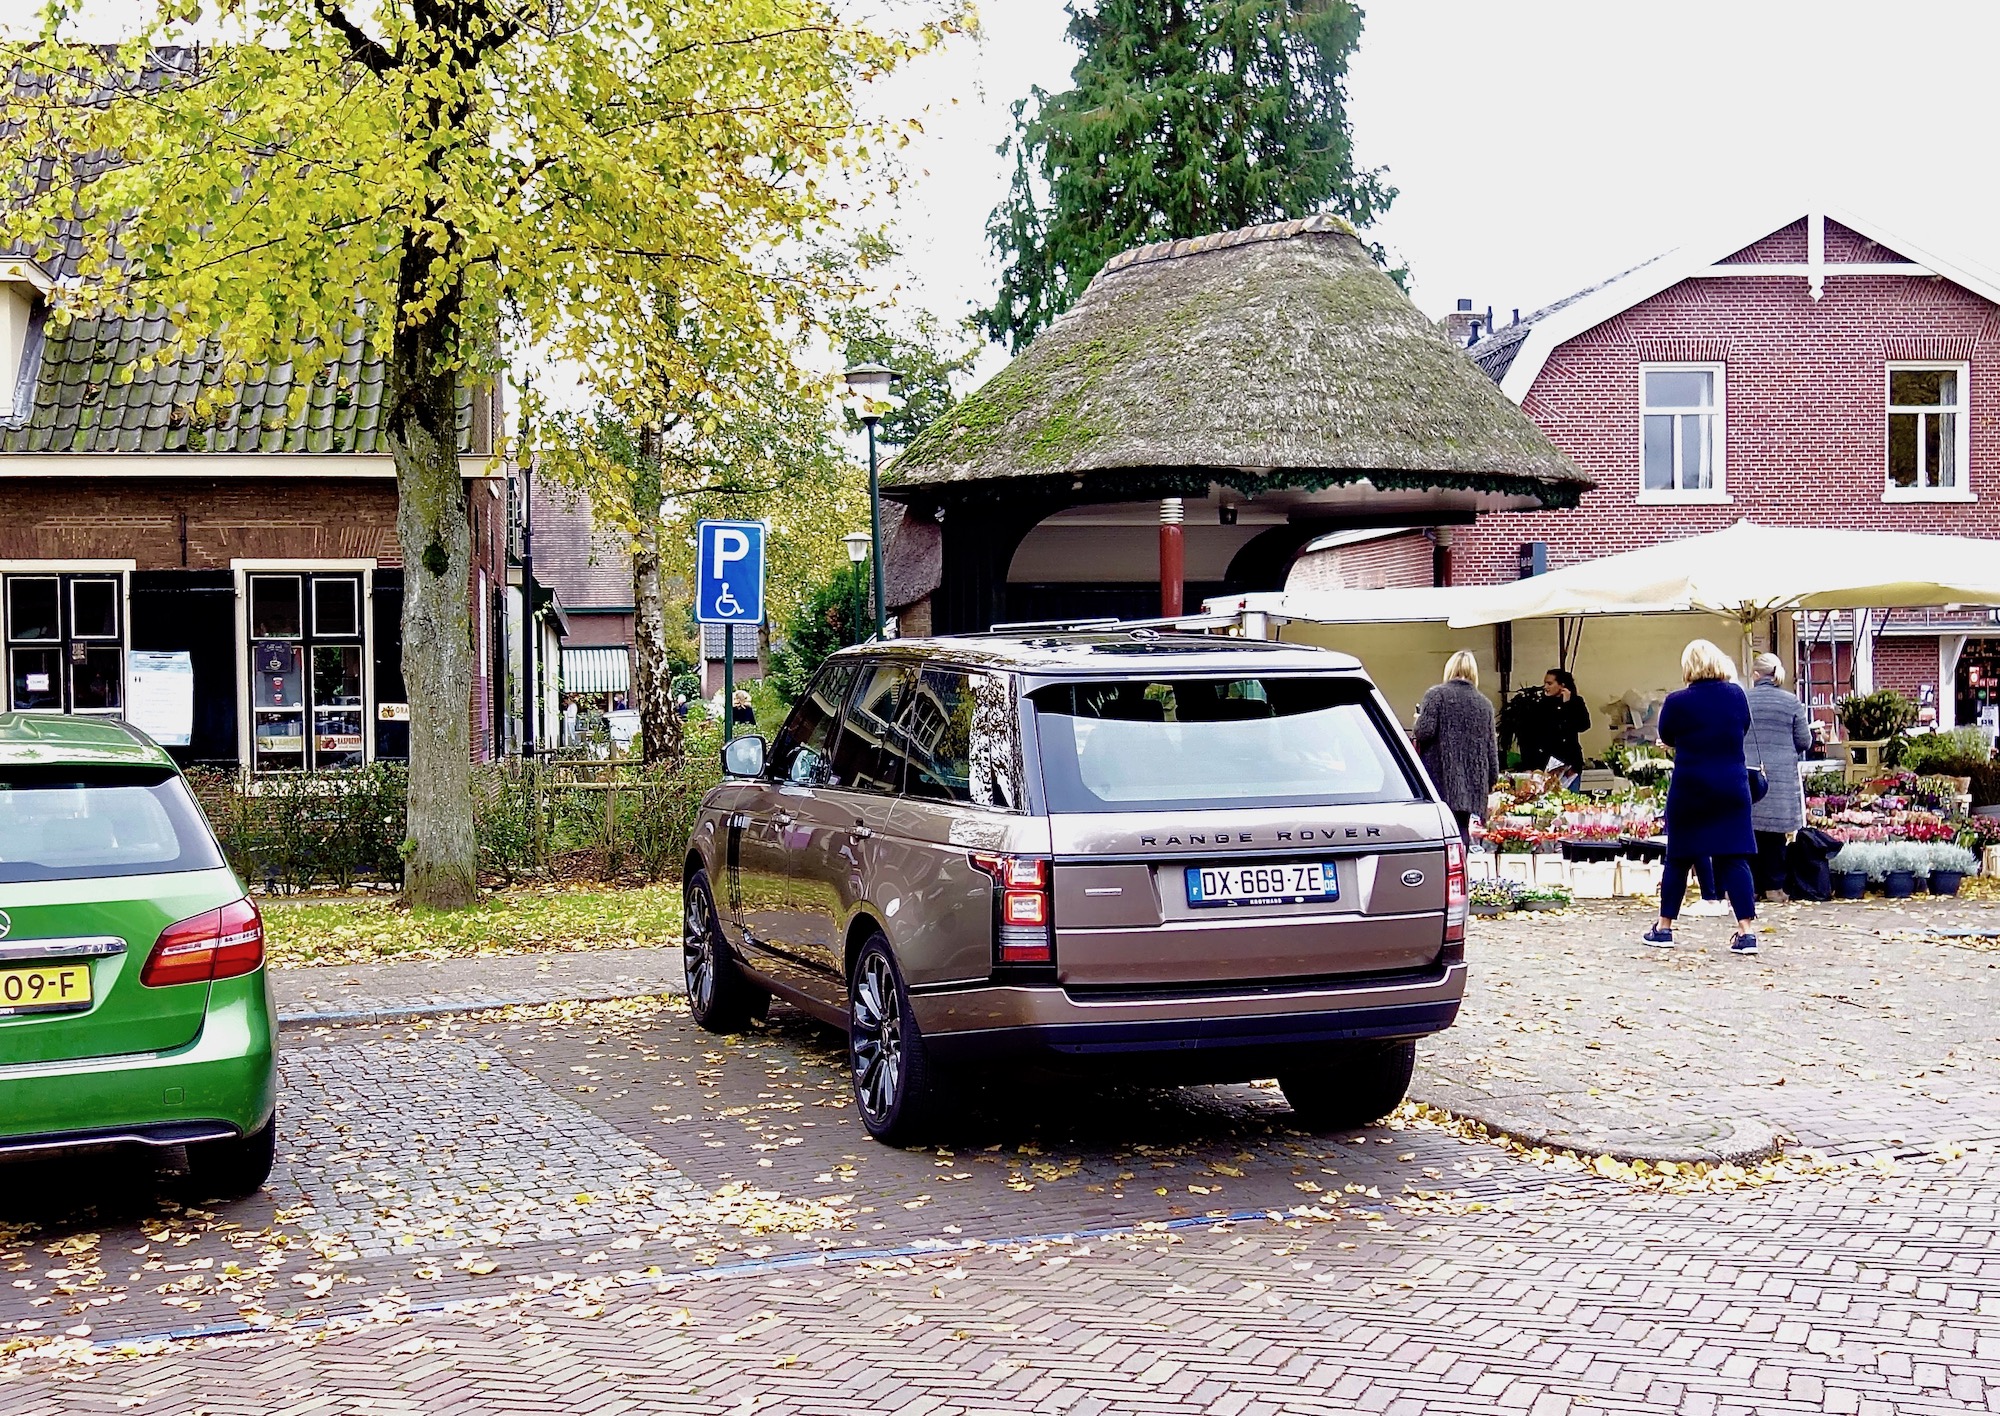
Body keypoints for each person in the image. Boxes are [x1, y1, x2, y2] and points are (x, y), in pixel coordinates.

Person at [1646, 639, 1759, 953]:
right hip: (1732, 786)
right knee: (1735, 857)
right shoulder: (1736, 695)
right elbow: (1742, 728)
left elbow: (1667, 735)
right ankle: (1746, 932)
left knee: (1679, 858)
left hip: (1691, 787)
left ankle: (1664, 928)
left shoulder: (1677, 701)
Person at [1414, 650, 1501, 850]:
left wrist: (1417, 719)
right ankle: (1462, 867)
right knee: (1461, 831)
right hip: (1472, 783)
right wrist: (1490, 781)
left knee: (1437, 833)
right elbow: (1491, 749)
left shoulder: (1436, 695)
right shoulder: (1484, 704)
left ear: (1449, 670)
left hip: (1439, 778)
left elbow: (1424, 732)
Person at [1745, 651, 1812, 901]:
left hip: (1748, 775)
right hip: (1780, 778)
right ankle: (1774, 888)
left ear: (1755, 674)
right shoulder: (1791, 701)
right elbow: (1804, 741)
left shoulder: (1744, 699)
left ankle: (1749, 888)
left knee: (1749, 832)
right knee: (1775, 835)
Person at [1532, 668, 1591, 779]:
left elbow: (1583, 725)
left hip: (1570, 761)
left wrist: (1567, 705)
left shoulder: (1576, 702)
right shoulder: (1541, 705)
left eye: (1549, 683)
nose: (1546, 687)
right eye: (1545, 683)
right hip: (1547, 761)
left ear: (1562, 685)